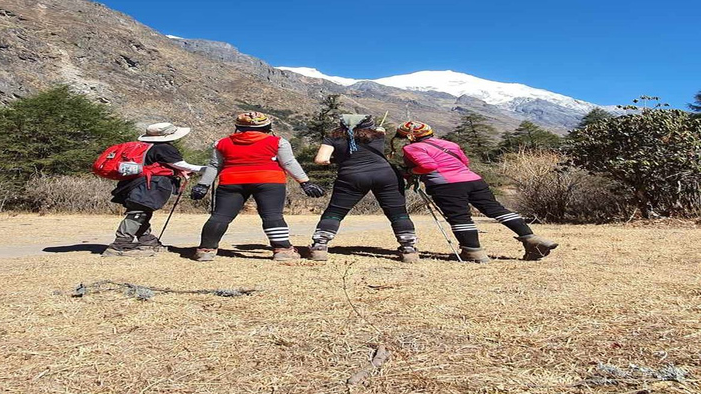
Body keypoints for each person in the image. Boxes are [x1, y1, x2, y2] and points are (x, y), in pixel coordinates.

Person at [396, 120, 558, 262]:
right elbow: (464, 161)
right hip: (473, 180)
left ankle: (472, 251)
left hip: (446, 185)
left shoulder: (413, 148)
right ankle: (532, 239)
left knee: (459, 217)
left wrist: (410, 172)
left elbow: (428, 166)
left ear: (410, 137)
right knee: (496, 210)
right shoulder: (450, 144)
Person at [190, 111, 324, 261]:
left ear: (238, 127)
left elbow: (215, 165)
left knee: (220, 216)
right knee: (272, 216)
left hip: (232, 181)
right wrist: (305, 182)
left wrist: (203, 185)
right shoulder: (279, 142)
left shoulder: (221, 143)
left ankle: (206, 250)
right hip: (269, 180)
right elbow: (288, 163)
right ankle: (283, 250)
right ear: (268, 126)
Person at [307, 114, 419, 263]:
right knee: (398, 213)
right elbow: (381, 129)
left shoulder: (333, 137)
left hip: (351, 176)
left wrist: (340, 158)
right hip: (386, 175)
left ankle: (320, 247)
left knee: (335, 211)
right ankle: (409, 249)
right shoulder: (379, 135)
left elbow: (321, 159)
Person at [103, 122, 203, 257]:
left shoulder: (147, 147)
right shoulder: (164, 148)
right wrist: (207, 169)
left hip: (134, 183)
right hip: (149, 185)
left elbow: (159, 166)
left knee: (143, 211)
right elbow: (181, 165)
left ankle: (146, 241)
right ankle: (120, 245)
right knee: (139, 212)